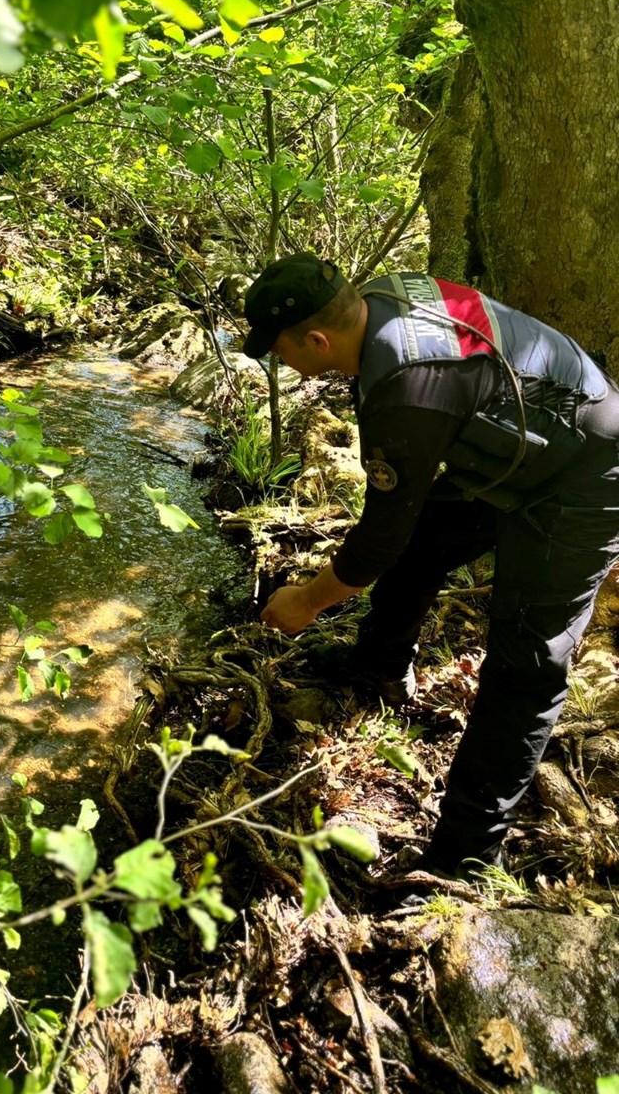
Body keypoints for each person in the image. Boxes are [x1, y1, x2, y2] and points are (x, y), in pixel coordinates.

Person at [242, 252, 619, 877]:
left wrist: (306, 601)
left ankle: (463, 857)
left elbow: (376, 542)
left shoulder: (409, 388)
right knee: (421, 548)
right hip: (512, 445)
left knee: (525, 666)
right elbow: (401, 529)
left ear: (315, 338)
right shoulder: (384, 299)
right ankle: (378, 668)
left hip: (585, 473)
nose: (281, 363)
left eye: (278, 351)